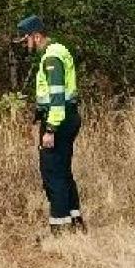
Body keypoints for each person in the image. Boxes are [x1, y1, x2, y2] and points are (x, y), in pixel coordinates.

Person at [16, 15, 84, 235]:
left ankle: (60, 228)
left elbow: (56, 96)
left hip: (58, 120)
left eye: (26, 40)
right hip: (68, 117)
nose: (26, 45)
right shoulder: (59, 50)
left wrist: (50, 129)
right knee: (63, 171)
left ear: (36, 36)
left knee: (52, 173)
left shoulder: (51, 58)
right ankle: (75, 220)